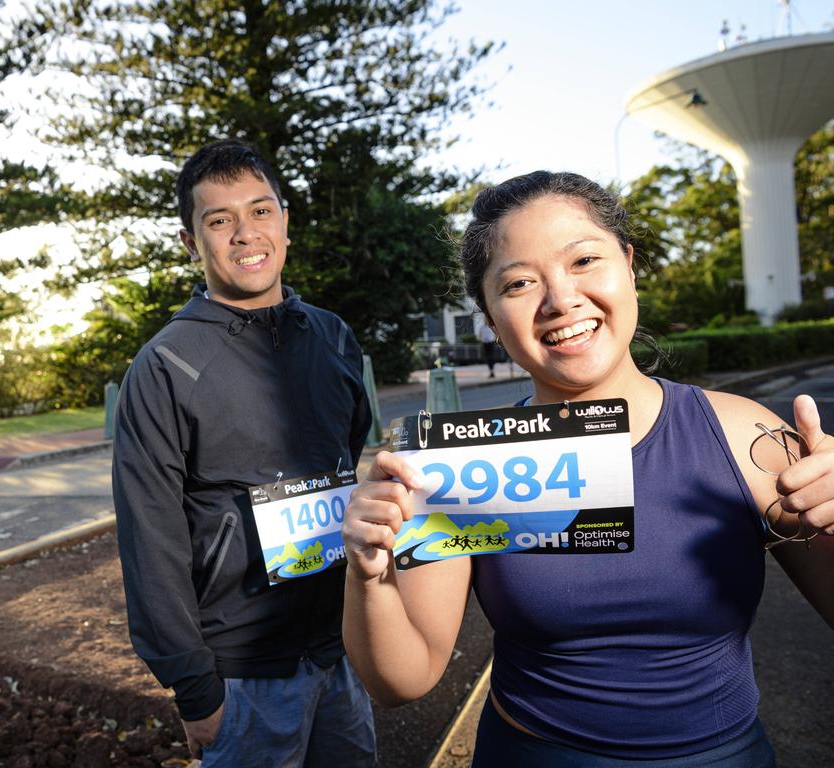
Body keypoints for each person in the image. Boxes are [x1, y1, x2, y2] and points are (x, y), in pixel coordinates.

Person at [340, 171, 834, 766]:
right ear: (492, 319)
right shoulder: (459, 467)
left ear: (628, 264)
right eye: (520, 282)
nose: (560, 299)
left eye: (584, 260)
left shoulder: (744, 433)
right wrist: (368, 574)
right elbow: (404, 681)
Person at [113, 139, 377, 766]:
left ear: (284, 220)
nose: (244, 233)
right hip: (244, 678)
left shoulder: (334, 336)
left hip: (341, 652)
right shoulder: (165, 366)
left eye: (260, 211)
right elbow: (150, 538)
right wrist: (195, 690)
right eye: (219, 219)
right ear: (191, 242)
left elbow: (348, 457)